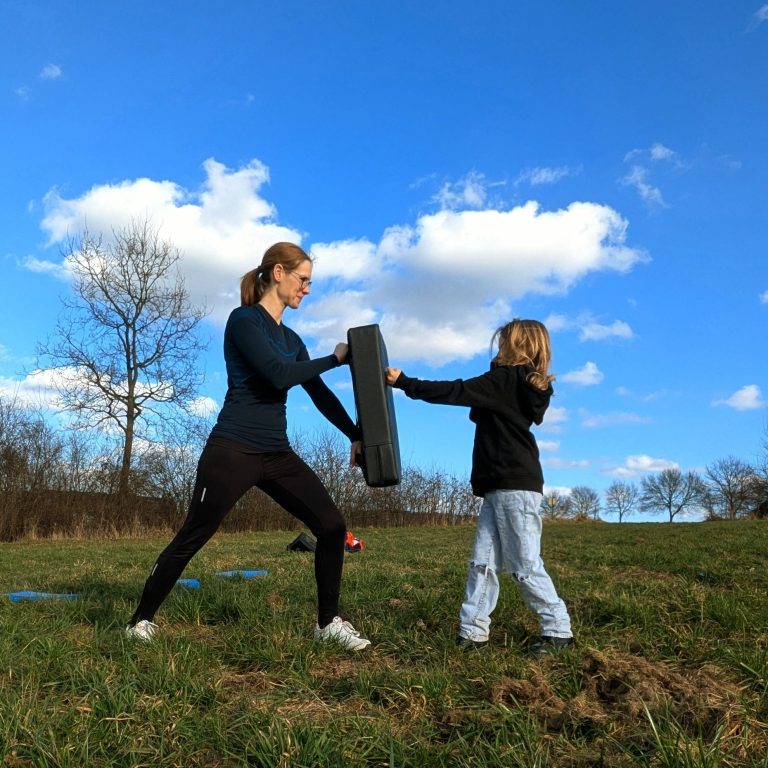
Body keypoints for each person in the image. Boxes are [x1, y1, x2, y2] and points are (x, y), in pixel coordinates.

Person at [126, 242, 371, 651]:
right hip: (233, 449)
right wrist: (334, 358)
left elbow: (318, 393)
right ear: (278, 273)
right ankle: (140, 621)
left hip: (276, 453)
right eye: (303, 279)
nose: (307, 289)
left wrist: (354, 434)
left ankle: (328, 623)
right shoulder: (243, 321)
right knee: (195, 533)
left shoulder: (292, 339)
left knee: (331, 525)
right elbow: (277, 375)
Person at [385, 319, 573, 654]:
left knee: (524, 565)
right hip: (499, 487)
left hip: (514, 487)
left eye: (503, 341)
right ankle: (472, 633)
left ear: (518, 345)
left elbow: (455, 391)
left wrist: (405, 382)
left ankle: (558, 630)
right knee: (482, 563)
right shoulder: (513, 382)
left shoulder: (505, 380)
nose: (498, 347)